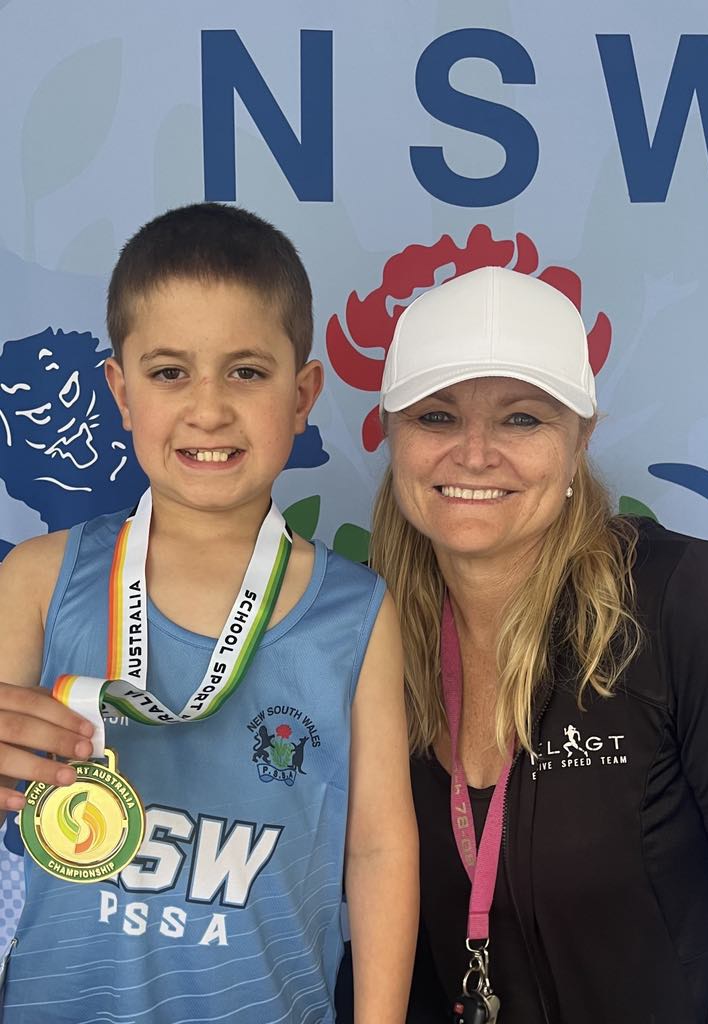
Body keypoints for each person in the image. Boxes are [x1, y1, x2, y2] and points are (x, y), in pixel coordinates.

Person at [0, 203, 418, 1023]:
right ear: (120, 392)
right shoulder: (38, 579)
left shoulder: (358, 611)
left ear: (302, 397)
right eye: (169, 372)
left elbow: (378, 848)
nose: (209, 408)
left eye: (246, 372)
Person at [369, 266, 708, 1023]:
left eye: (522, 419)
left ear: (581, 436)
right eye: (437, 417)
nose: (476, 453)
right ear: (392, 432)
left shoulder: (683, 599)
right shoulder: (365, 633)